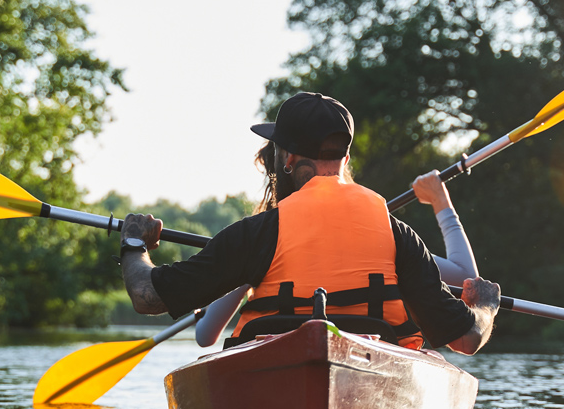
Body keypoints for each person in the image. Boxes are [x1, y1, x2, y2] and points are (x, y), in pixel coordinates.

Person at [117, 92, 500, 355]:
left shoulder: (257, 234)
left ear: (286, 158)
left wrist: (134, 242)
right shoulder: (397, 235)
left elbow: (146, 297)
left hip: (272, 372)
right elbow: (466, 339)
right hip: (373, 376)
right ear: (346, 159)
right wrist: (485, 308)